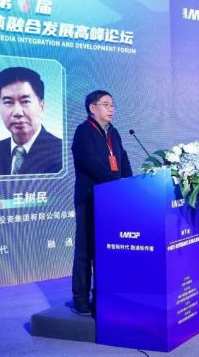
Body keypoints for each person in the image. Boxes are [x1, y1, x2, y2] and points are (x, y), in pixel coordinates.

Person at [71, 90, 132, 315]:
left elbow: (122, 158)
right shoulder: (83, 131)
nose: (111, 109)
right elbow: (90, 163)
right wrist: (117, 184)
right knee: (86, 250)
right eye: (106, 104)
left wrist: (128, 183)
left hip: (111, 200)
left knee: (105, 251)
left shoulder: (113, 132)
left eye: (112, 105)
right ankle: (80, 299)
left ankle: (102, 297)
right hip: (90, 199)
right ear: (92, 108)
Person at [0, 67, 62, 176]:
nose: (17, 112)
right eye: (8, 102)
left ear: (41, 107)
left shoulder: (61, 152)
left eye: (25, 101)